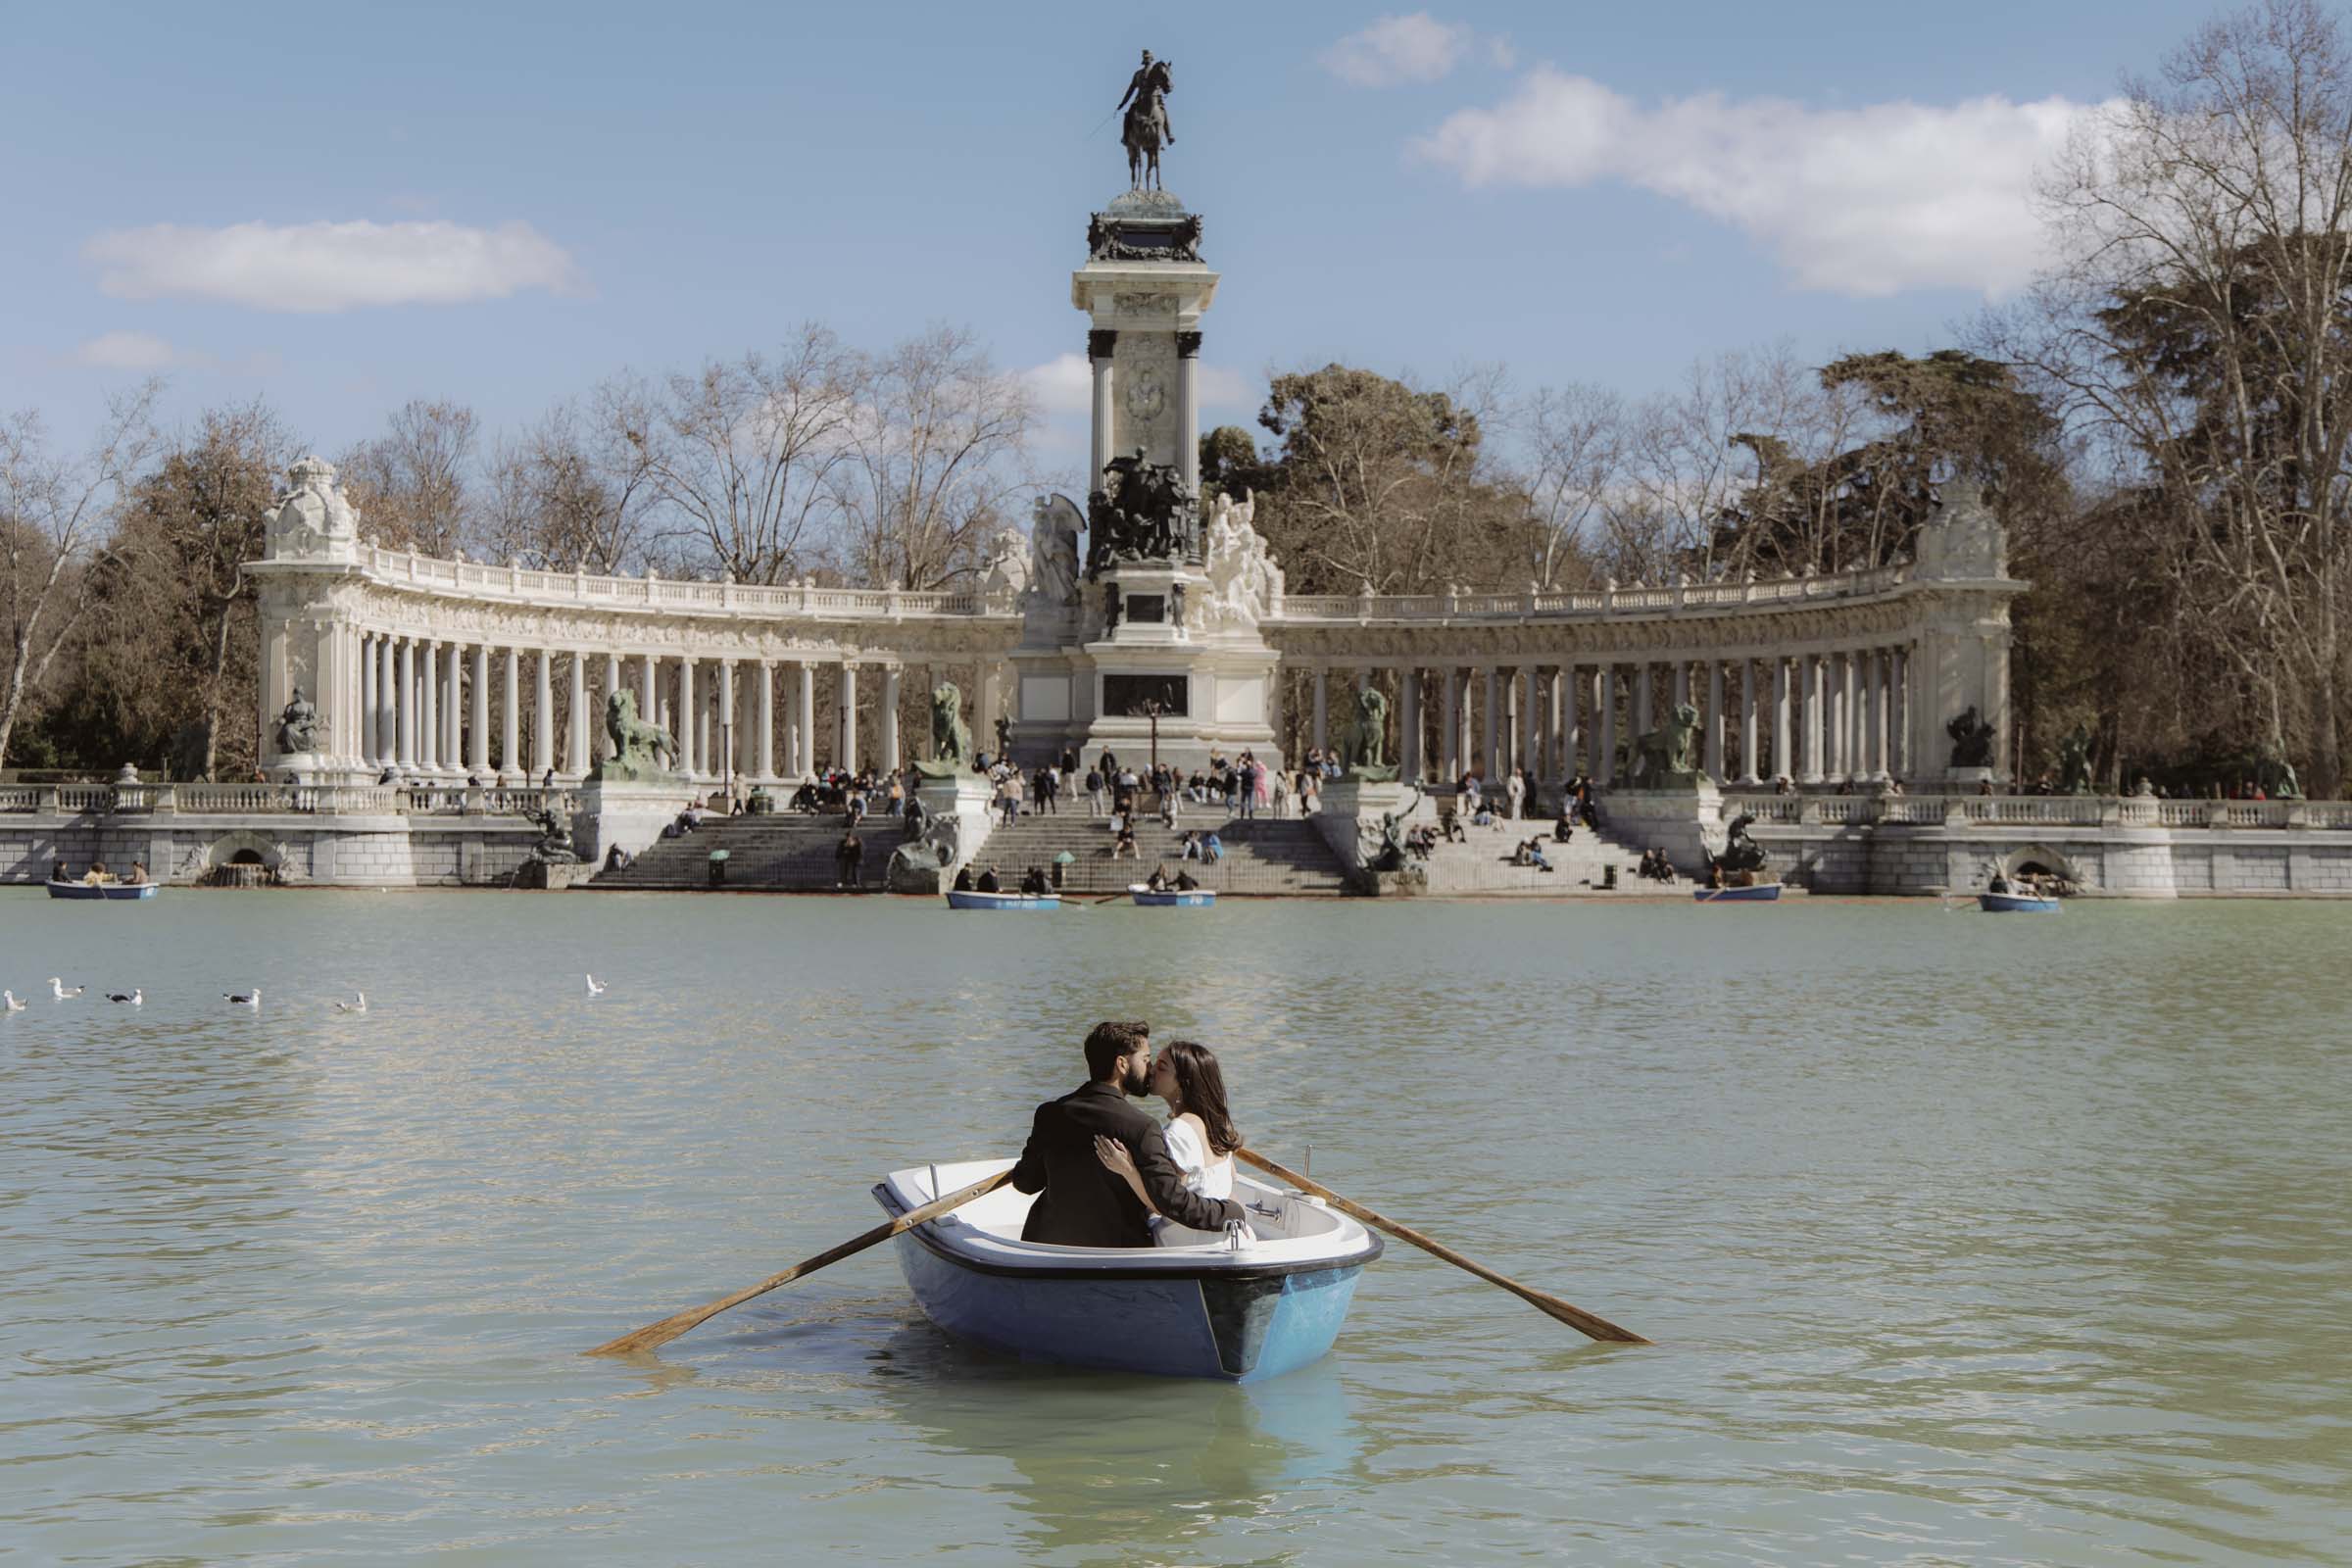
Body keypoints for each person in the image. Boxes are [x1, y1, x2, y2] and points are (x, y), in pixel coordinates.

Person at [1010, 1023, 1243, 1248]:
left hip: (1048, 1245)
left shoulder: (1049, 1114)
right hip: (1118, 1250)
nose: (1149, 1069)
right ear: (1122, 1064)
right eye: (1145, 1060)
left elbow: (1026, 1183)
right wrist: (1231, 1211)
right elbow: (1170, 1202)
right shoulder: (1142, 1128)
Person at [1093, 1038, 1250, 1247]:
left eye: (1162, 1067)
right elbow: (1229, 1183)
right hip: (1224, 1236)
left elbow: (1167, 1205)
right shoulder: (1218, 1125)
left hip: (1185, 1241)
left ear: (1183, 1082)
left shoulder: (1179, 1131)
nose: (1151, 1071)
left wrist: (1127, 1170)